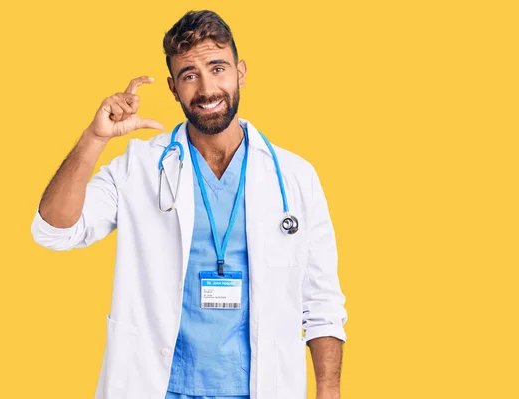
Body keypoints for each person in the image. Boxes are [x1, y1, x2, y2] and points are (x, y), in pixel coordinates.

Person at [31, 9, 348, 399]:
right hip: (157, 387)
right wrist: (94, 138)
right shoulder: (139, 167)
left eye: (218, 68)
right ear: (172, 87)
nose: (207, 89)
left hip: (264, 387)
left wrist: (329, 389)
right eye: (189, 75)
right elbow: (54, 231)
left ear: (241, 72)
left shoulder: (295, 177)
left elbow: (322, 299)